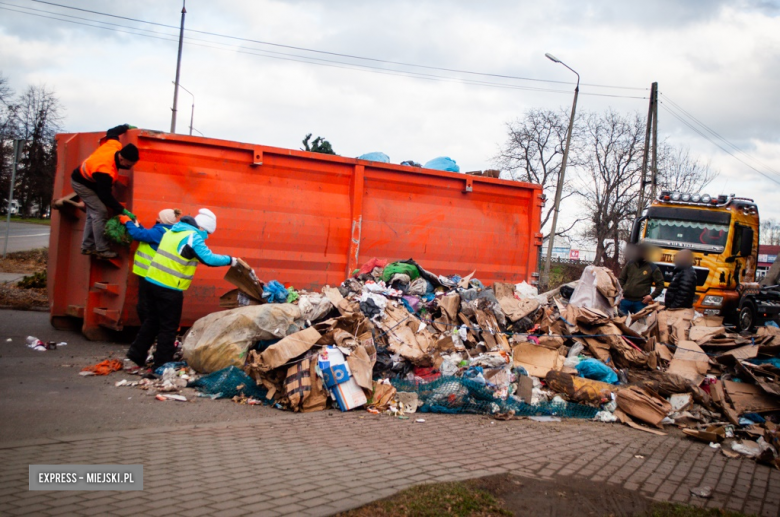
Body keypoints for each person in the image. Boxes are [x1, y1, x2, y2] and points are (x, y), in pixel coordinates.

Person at [126, 208, 238, 370]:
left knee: (152, 321)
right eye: (207, 232)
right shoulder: (193, 237)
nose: (206, 236)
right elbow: (208, 258)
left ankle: (135, 355)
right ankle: (162, 363)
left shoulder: (173, 231)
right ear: (202, 228)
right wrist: (231, 260)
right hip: (169, 287)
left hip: (151, 281)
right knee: (168, 327)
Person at [70, 124, 139, 259]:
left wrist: (125, 127)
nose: (129, 167)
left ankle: (87, 246)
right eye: (128, 165)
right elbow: (105, 196)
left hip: (91, 181)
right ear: (121, 159)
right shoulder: (105, 169)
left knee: (93, 213)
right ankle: (102, 249)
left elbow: (112, 132)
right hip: (82, 183)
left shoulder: (114, 146)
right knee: (100, 211)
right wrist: (122, 210)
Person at [118, 208, 181, 325]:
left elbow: (139, 235)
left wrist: (128, 222)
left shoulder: (160, 231)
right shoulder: (165, 231)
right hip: (151, 273)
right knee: (149, 305)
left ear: (163, 219)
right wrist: (138, 225)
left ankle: (148, 333)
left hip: (149, 273)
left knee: (144, 306)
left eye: (159, 216)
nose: (156, 217)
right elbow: (147, 236)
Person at [618, 244, 665, 314]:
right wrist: (620, 293)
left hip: (641, 302)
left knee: (640, 324)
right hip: (625, 300)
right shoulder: (630, 264)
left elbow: (660, 285)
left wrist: (651, 296)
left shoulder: (653, 268)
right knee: (620, 322)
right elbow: (621, 279)